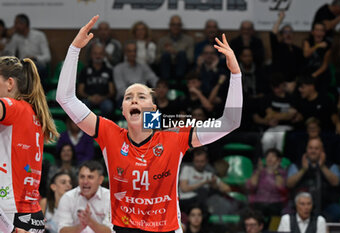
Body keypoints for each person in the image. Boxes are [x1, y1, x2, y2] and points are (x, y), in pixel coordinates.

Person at [56, 15, 242, 233]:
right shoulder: (109, 133)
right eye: (128, 97)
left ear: (154, 109)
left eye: (141, 96)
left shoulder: (175, 137)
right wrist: (74, 49)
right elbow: (66, 99)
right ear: (124, 110)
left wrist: (236, 74)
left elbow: (230, 121)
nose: (134, 99)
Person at [0, 55, 58, 232]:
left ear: (10, 83)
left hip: (11, 212)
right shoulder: (33, 113)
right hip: (31, 214)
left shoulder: (11, 106)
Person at [287, 138, 340, 221]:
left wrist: (322, 167)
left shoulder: (331, 165)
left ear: (322, 151)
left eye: (316, 148)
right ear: (306, 150)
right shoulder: (297, 165)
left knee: (339, 213)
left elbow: (335, 182)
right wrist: (303, 169)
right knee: (286, 214)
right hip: (301, 205)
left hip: (326, 205)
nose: (313, 151)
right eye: (310, 148)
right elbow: (289, 184)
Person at [56, 160, 112, 233]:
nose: (85, 181)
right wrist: (80, 227)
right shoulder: (68, 197)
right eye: (82, 177)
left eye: (90, 177)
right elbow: (62, 230)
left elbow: (110, 231)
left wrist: (90, 222)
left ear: (100, 180)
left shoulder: (109, 198)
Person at [179, 147, 231, 213]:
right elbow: (184, 188)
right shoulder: (187, 169)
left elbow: (227, 189)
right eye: (197, 161)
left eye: (202, 161)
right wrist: (203, 183)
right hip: (185, 201)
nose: (199, 164)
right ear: (193, 160)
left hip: (201, 204)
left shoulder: (208, 174)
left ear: (206, 161)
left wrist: (214, 185)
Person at [4, 14, 51, 82]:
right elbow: (10, 54)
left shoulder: (39, 35)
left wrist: (34, 57)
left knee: (33, 69)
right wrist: (9, 38)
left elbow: (47, 57)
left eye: (16, 23)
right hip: (22, 65)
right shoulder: (16, 37)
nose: (15, 26)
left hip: (37, 64)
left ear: (24, 24)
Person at [113, 40, 158, 105]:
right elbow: (121, 90)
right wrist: (138, 96)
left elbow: (154, 79)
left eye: (134, 51)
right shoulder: (118, 68)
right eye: (130, 51)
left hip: (143, 97)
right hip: (125, 98)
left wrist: (159, 88)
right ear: (125, 53)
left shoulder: (143, 66)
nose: (133, 54)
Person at [78, 42, 116, 118]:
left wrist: (102, 98)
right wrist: (90, 98)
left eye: (100, 53)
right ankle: (87, 129)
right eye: (95, 53)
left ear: (104, 55)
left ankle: (103, 128)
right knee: (82, 107)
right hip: (88, 98)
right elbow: (80, 91)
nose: (98, 56)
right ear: (91, 55)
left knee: (108, 107)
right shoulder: (85, 70)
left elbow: (112, 92)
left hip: (104, 99)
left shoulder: (109, 70)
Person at [246, 148, 287, 216]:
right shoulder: (259, 172)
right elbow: (252, 185)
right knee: (256, 214)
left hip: (276, 203)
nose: (270, 158)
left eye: (273, 156)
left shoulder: (282, 173)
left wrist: (275, 171)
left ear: (279, 160)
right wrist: (258, 171)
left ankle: (274, 227)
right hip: (259, 202)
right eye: (268, 156)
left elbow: (280, 186)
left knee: (275, 219)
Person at [270, 11, 304, 90]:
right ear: (282, 35)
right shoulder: (278, 47)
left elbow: (300, 69)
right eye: (285, 32)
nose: (288, 35)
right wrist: (280, 19)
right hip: (279, 84)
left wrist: (295, 82)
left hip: (294, 84)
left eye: (290, 32)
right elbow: (272, 34)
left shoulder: (298, 50)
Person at [156, 15, 194, 80]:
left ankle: (179, 80)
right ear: (170, 26)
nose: (176, 27)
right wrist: (166, 54)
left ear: (181, 26)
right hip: (166, 68)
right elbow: (156, 59)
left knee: (182, 54)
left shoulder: (189, 40)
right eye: (173, 25)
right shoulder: (162, 40)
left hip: (182, 69)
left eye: (178, 25)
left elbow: (190, 59)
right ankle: (166, 81)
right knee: (165, 55)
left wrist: (175, 52)